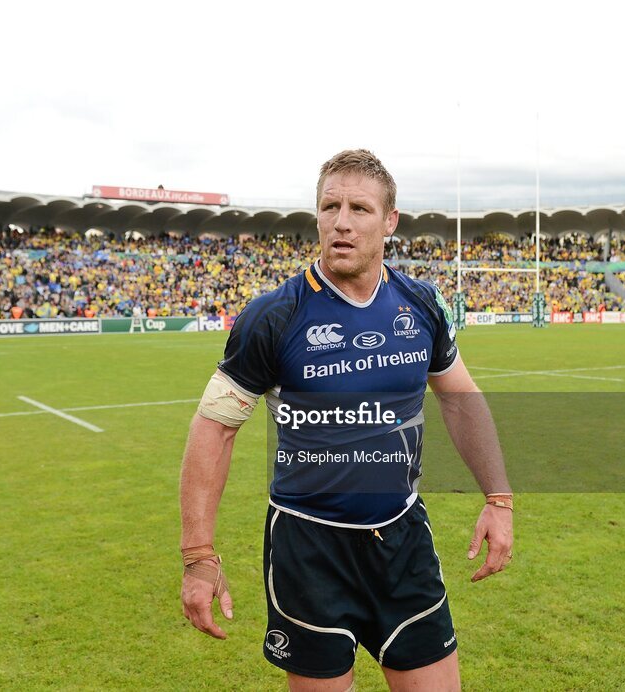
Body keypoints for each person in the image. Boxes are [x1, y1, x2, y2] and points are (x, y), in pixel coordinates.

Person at [179, 150, 513, 692]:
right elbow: (213, 427)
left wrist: (499, 499)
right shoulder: (274, 316)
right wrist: (197, 556)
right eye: (330, 206)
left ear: (390, 221)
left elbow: (459, 398)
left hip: (402, 541)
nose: (341, 221)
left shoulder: (420, 304)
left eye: (359, 207)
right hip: (309, 549)